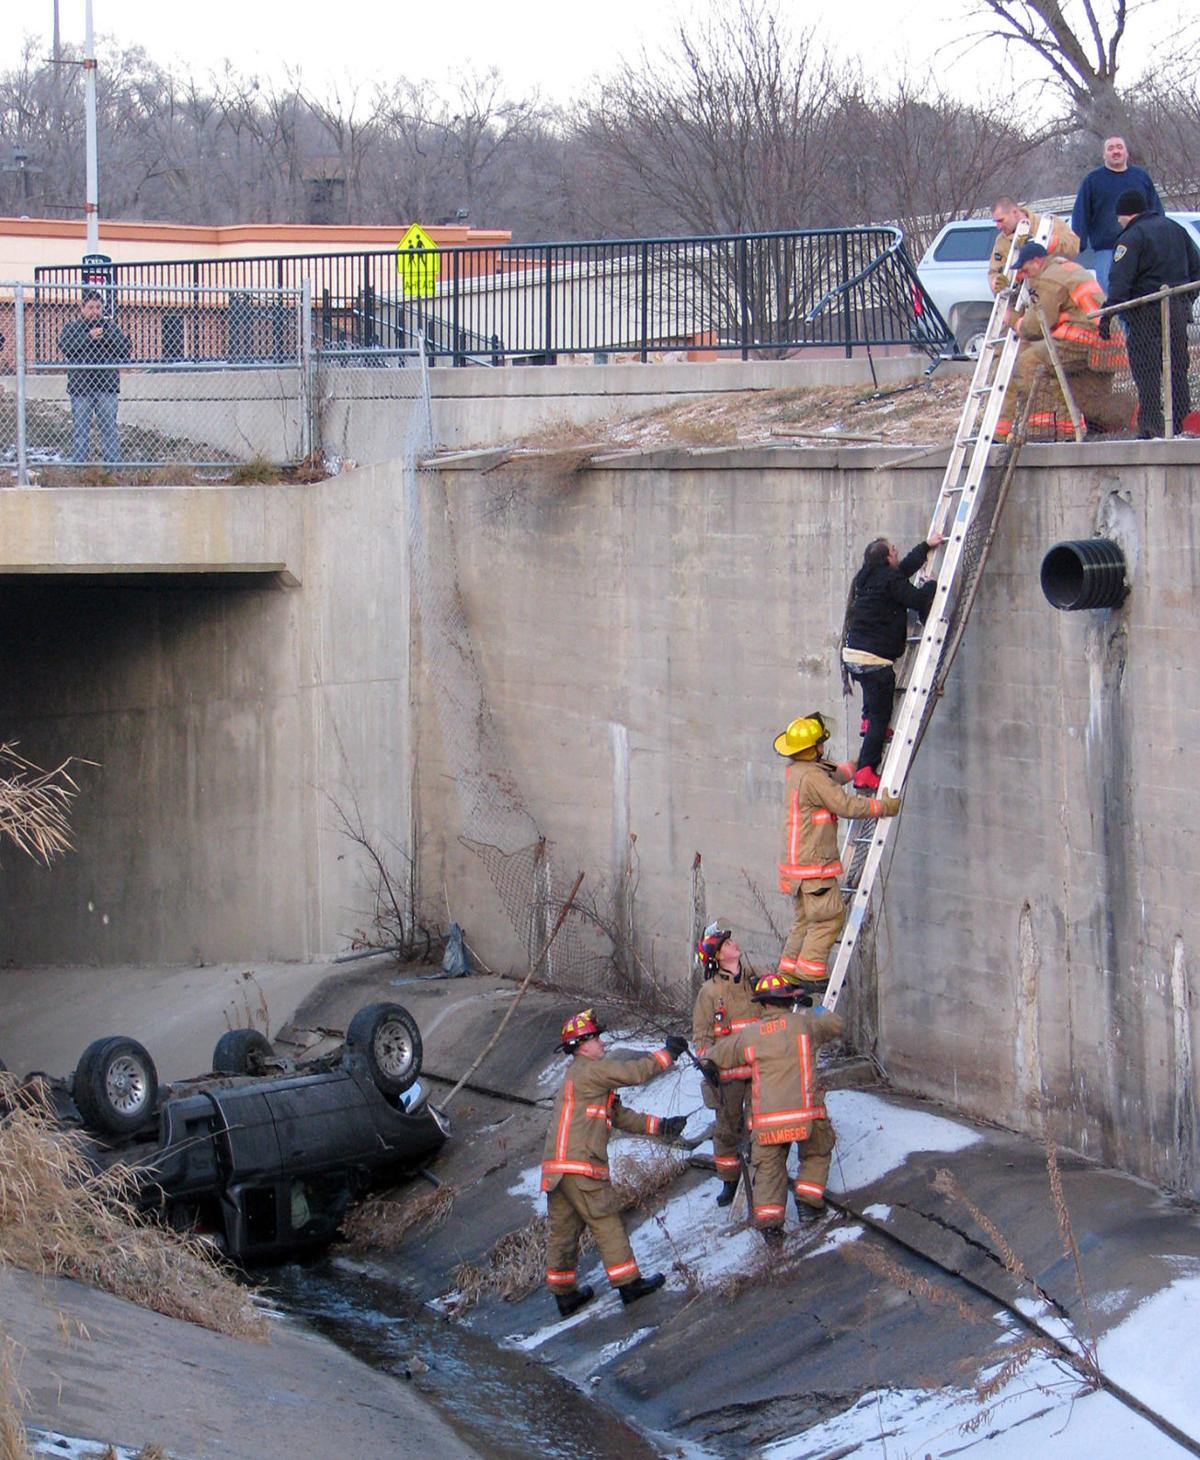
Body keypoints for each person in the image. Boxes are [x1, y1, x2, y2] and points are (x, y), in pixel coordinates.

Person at [541, 1009, 688, 1316]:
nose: (602, 1043)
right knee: (606, 1221)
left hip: (559, 1171)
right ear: (583, 1045)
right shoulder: (590, 1071)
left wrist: (661, 1127)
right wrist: (668, 1054)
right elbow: (634, 1073)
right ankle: (629, 1284)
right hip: (581, 1166)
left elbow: (620, 1116)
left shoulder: (582, 1078)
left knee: (564, 1232)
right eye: (596, 1038)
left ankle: (564, 1295)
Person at [702, 972, 844, 1242]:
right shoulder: (805, 1025)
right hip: (807, 1114)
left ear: (763, 1003)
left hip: (767, 1121)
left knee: (768, 1168)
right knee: (817, 1152)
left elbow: (717, 1056)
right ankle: (808, 1202)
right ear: (788, 999)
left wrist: (707, 1063)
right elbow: (836, 1025)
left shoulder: (750, 1036)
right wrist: (813, 1004)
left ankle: (770, 1225)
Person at [773, 713, 900, 995]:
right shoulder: (813, 779)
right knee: (829, 918)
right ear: (814, 748)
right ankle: (810, 972)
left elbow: (832, 779)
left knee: (805, 921)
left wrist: (861, 762)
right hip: (814, 867)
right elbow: (845, 805)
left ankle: (789, 972)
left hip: (797, 869)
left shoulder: (799, 773)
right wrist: (884, 807)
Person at [841, 532, 944, 792]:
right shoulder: (889, 579)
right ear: (887, 558)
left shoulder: (866, 578)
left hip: (853, 656)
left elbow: (900, 576)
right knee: (881, 717)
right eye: (894, 550)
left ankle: (868, 722)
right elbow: (918, 599)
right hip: (875, 661)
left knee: (872, 707)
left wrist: (925, 547)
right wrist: (933, 586)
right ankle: (866, 770)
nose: (897, 552)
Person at [996, 240, 1125, 439]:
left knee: (1030, 361)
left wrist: (1012, 318)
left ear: (1037, 261)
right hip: (1107, 344)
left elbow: (1034, 327)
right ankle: (1130, 416)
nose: (1024, 275)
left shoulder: (1049, 280)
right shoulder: (1068, 268)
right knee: (1088, 398)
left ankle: (1045, 430)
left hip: (1082, 340)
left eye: (1025, 270)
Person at [1102, 188, 1200, 438]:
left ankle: (1151, 424)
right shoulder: (1176, 229)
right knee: (1177, 368)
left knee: (1147, 373)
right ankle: (1179, 423)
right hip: (1177, 310)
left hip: (1144, 313)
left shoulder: (1131, 237)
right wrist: (1186, 299)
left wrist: (1108, 313)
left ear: (1126, 214)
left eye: (1119, 216)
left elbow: (1120, 281)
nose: (1118, 221)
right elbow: (1197, 270)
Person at [691, 922, 757, 1207]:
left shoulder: (754, 980)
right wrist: (708, 1064)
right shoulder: (709, 992)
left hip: (759, 1069)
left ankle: (761, 1175)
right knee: (727, 1130)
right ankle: (729, 1181)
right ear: (717, 956)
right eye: (726, 944)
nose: (733, 945)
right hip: (728, 1074)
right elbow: (702, 1034)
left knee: (760, 1125)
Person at [1071, 136, 1163, 291]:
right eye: (1111, 148)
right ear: (1104, 155)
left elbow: (1156, 211)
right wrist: (1077, 244)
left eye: (1119, 147)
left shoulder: (1141, 177)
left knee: (1143, 295)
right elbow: (1081, 215)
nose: (1115, 151)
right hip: (1107, 251)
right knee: (1112, 300)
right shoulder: (1092, 180)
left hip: (1142, 249)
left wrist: (1160, 237)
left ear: (1127, 153)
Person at [57, 291, 131, 464]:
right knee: (80, 430)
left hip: (106, 387)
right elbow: (67, 348)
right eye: (90, 307)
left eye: (98, 307)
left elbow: (124, 350)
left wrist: (107, 336)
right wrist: (88, 337)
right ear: (82, 308)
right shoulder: (72, 328)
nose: (95, 311)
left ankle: (113, 468)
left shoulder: (110, 327)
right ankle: (80, 468)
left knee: (109, 429)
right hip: (81, 388)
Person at [988, 197, 1078, 296]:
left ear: (1015, 212)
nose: (998, 226)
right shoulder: (1002, 241)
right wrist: (995, 282)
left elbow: (1075, 246)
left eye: (1001, 220)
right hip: (1023, 300)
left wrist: (1054, 243)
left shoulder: (1048, 224)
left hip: (1056, 290)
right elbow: (994, 271)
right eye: (995, 222)